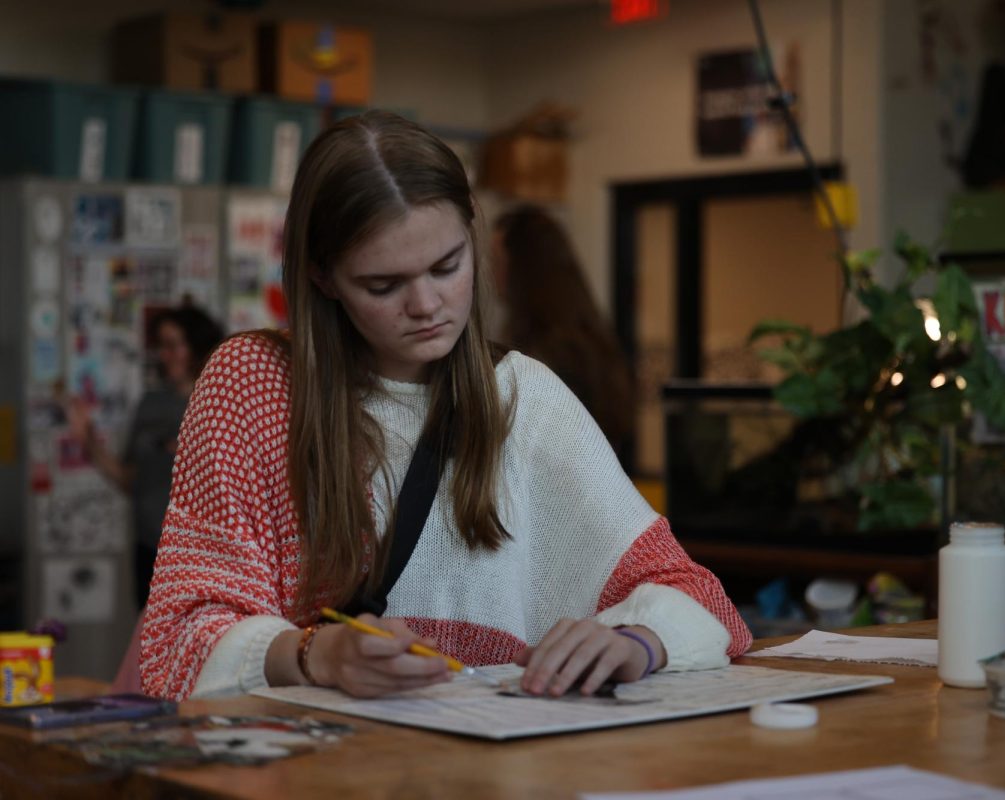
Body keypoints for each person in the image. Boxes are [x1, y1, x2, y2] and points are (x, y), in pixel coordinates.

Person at [140, 112, 751, 702]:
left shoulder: (524, 395)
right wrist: (316, 654)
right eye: (383, 285)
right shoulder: (253, 384)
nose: (427, 304)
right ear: (323, 277)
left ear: (473, 235)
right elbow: (178, 641)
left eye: (447, 266)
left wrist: (637, 642)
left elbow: (702, 599)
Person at [69, 305, 224, 609]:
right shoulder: (149, 403)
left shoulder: (218, 404)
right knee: (149, 642)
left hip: (199, 553)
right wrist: (88, 441)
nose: (165, 355)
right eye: (160, 346)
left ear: (197, 345)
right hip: (148, 546)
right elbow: (129, 479)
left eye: (172, 345)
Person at [492, 205, 634, 450]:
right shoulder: (588, 331)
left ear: (521, 267)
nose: (489, 272)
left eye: (496, 261)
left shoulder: (542, 351)